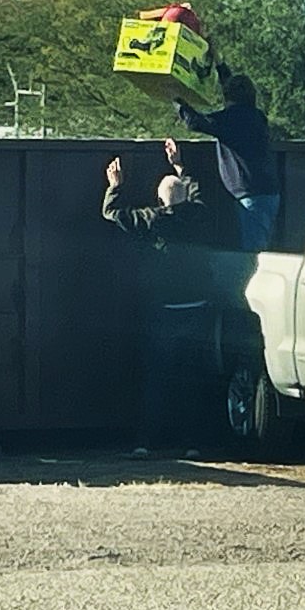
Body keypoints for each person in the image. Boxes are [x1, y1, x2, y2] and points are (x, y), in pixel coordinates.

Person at [101, 139, 213, 460]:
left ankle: (146, 442)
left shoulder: (150, 219)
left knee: (156, 380)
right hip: (197, 308)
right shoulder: (198, 216)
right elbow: (196, 194)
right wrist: (181, 166)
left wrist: (115, 185)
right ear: (184, 197)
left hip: (162, 310)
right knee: (192, 379)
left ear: (159, 198)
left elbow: (111, 213)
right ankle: (193, 443)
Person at [174, 68, 281, 251]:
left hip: (251, 196)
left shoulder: (231, 120)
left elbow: (194, 122)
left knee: (253, 253)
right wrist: (219, 65)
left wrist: (176, 97)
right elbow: (232, 92)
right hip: (265, 192)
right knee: (258, 243)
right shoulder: (256, 116)